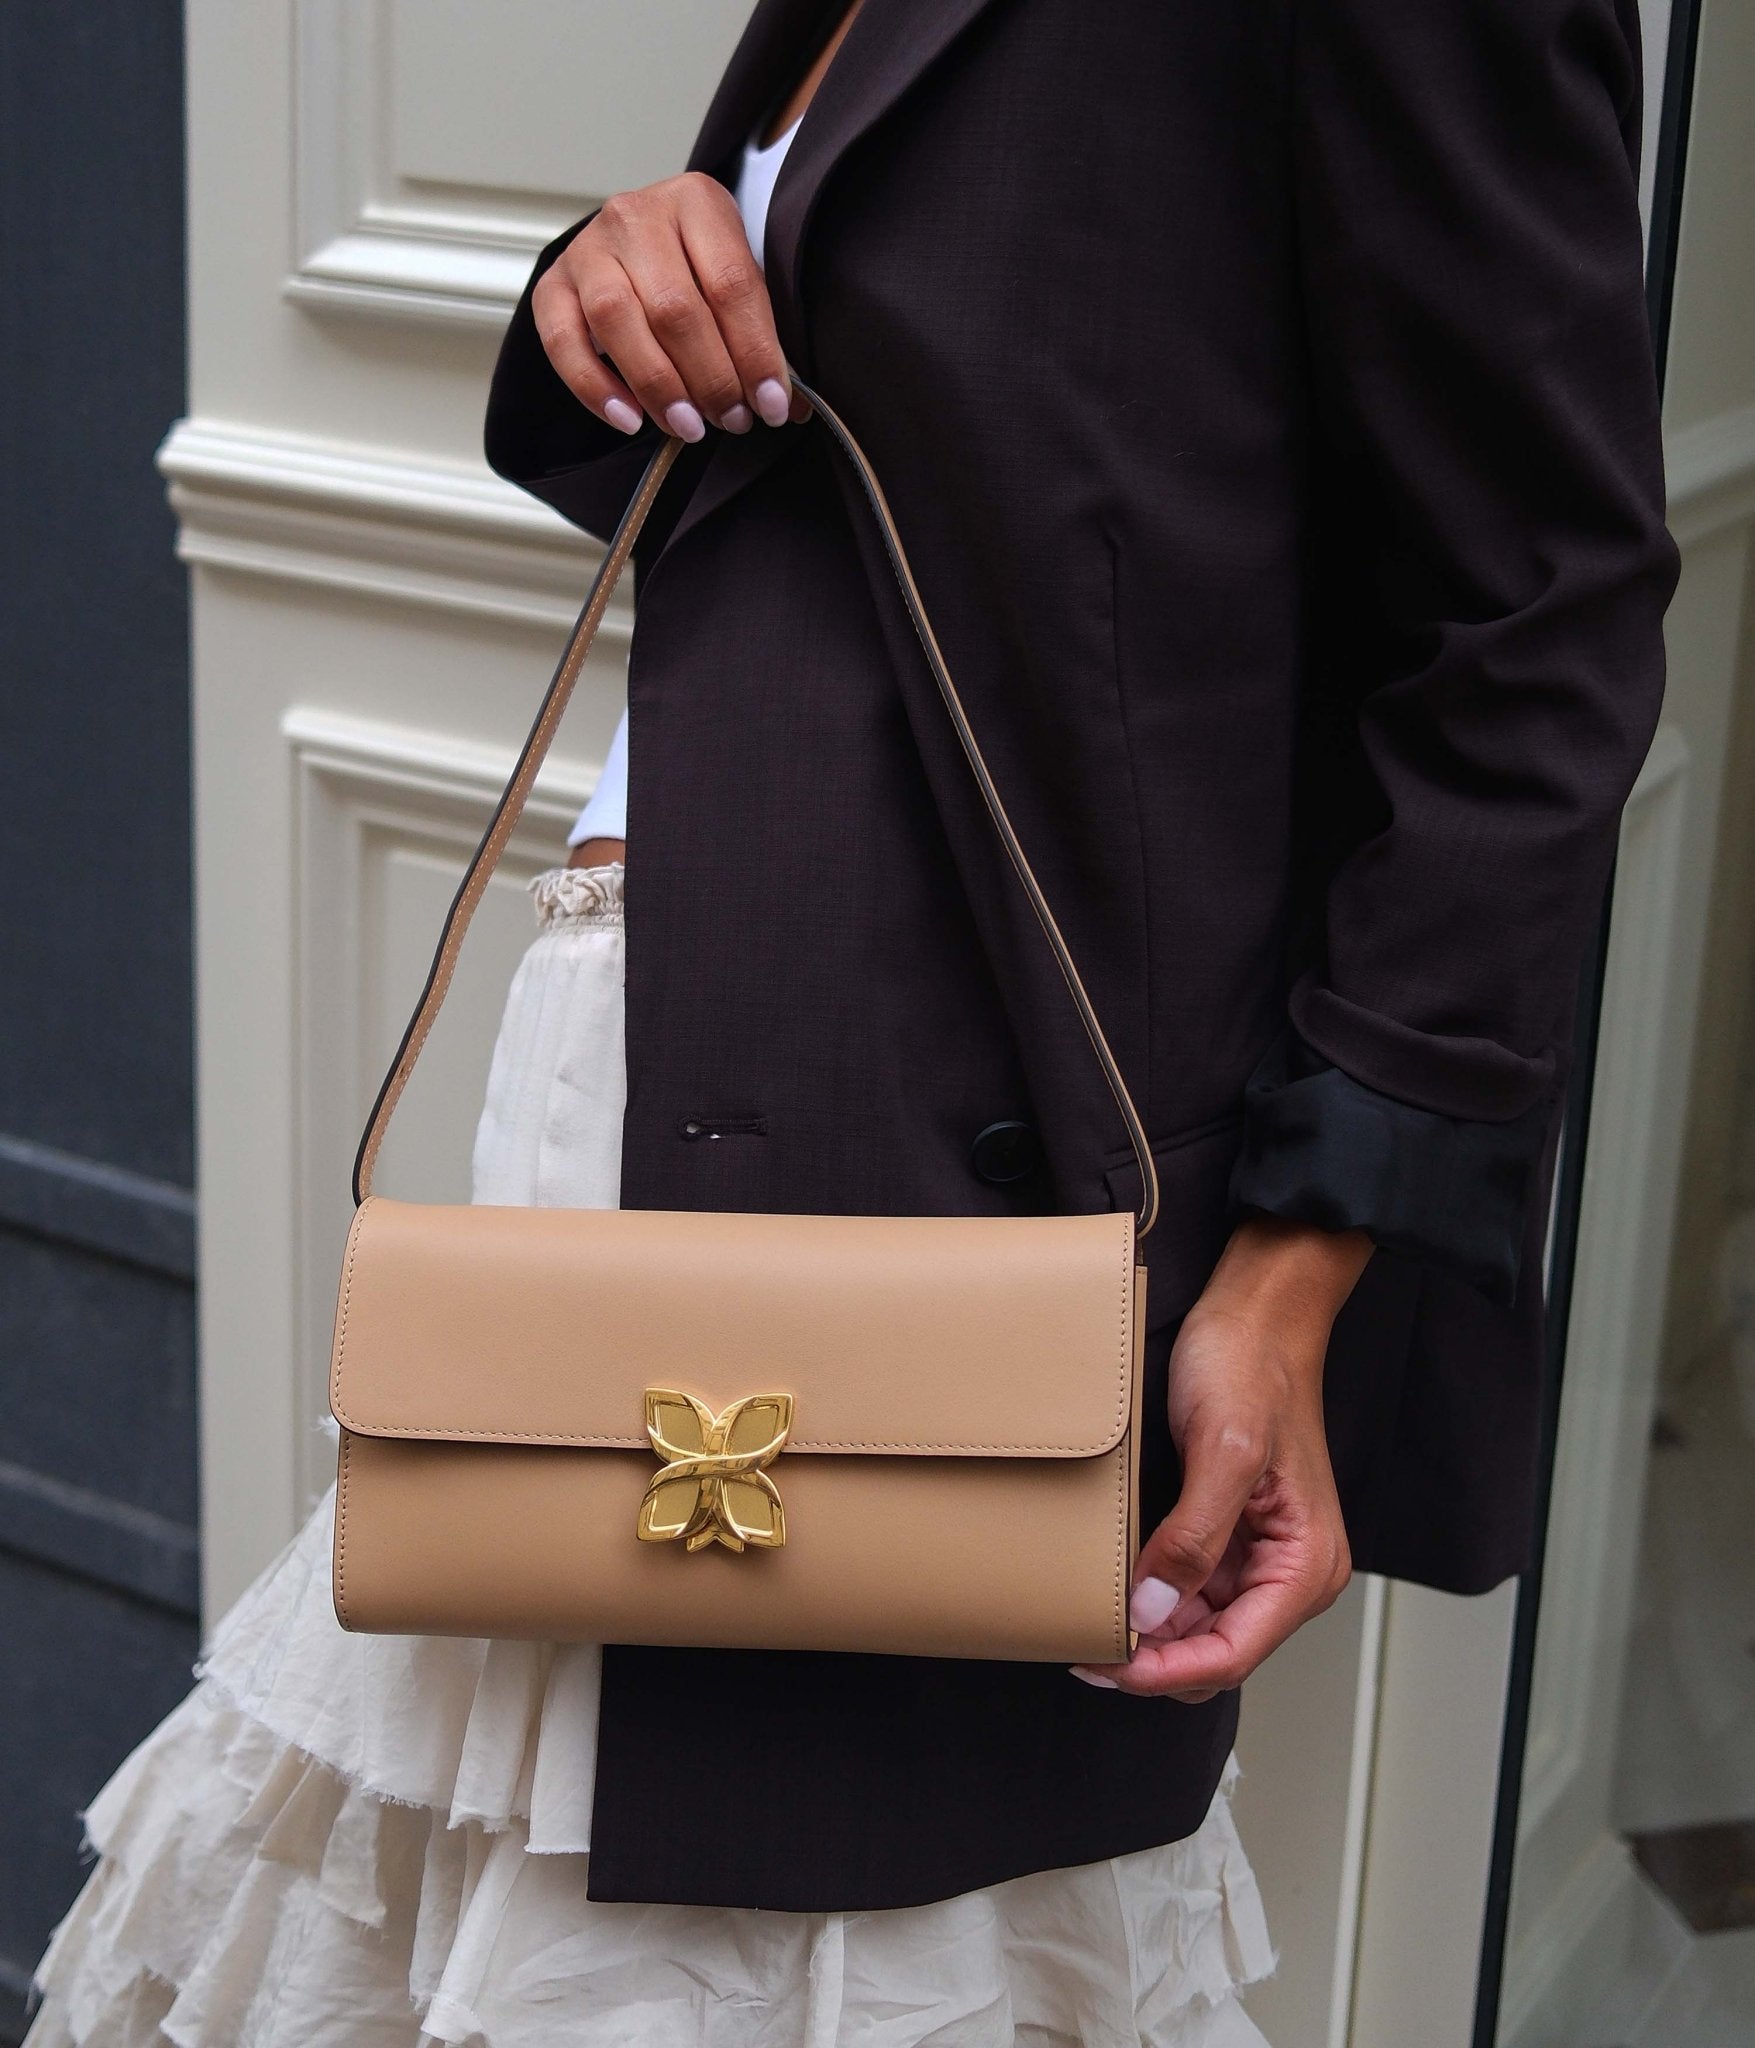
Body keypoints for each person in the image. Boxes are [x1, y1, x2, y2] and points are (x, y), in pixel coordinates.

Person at [27, 0, 1674, 2041]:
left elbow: (1535, 632)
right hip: (641, 1078)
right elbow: (940, 436)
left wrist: (1293, 1269)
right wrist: (613, 284)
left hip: (949, 1183)